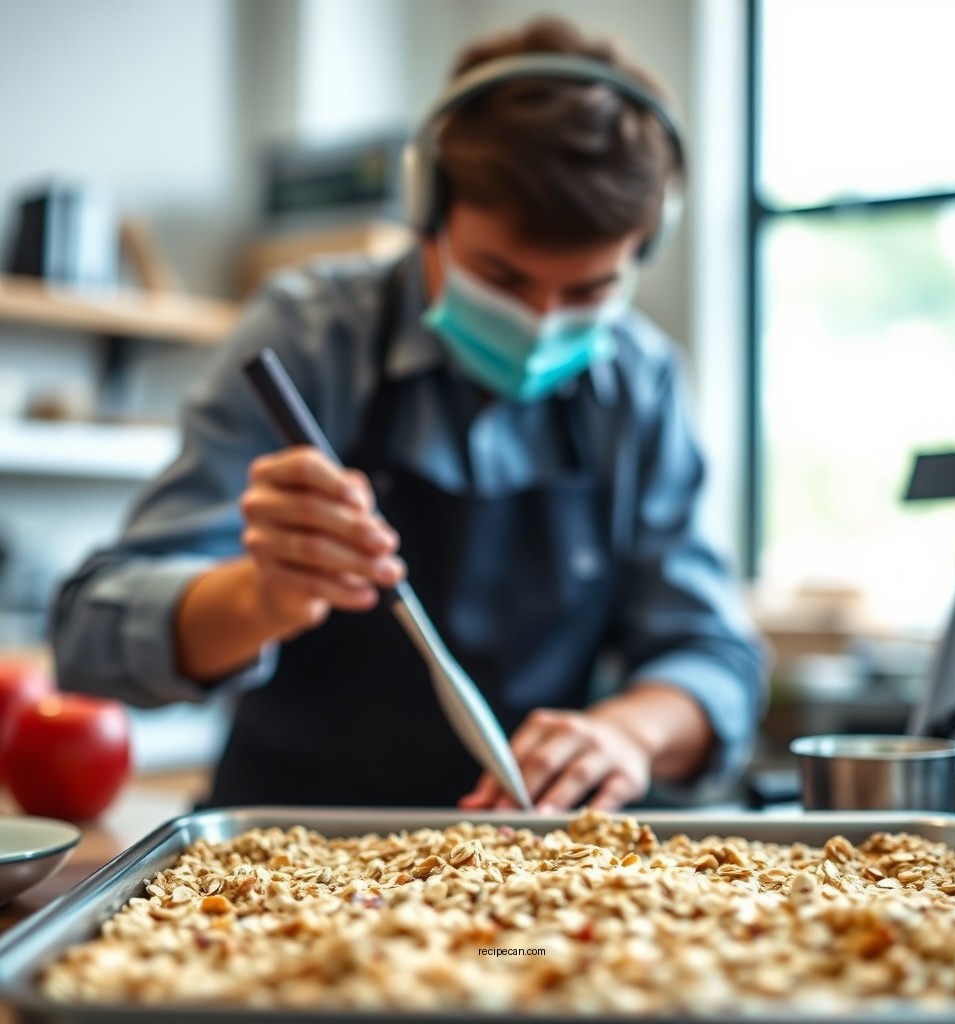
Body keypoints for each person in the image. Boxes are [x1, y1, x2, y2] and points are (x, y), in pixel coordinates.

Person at [52, 17, 766, 811]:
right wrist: (260, 596)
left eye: (588, 292)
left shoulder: (641, 382)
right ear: (427, 213)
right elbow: (92, 635)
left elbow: (712, 657)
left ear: (644, 250)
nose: (540, 322)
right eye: (501, 275)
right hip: (289, 850)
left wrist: (630, 732)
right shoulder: (310, 334)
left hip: (526, 864)